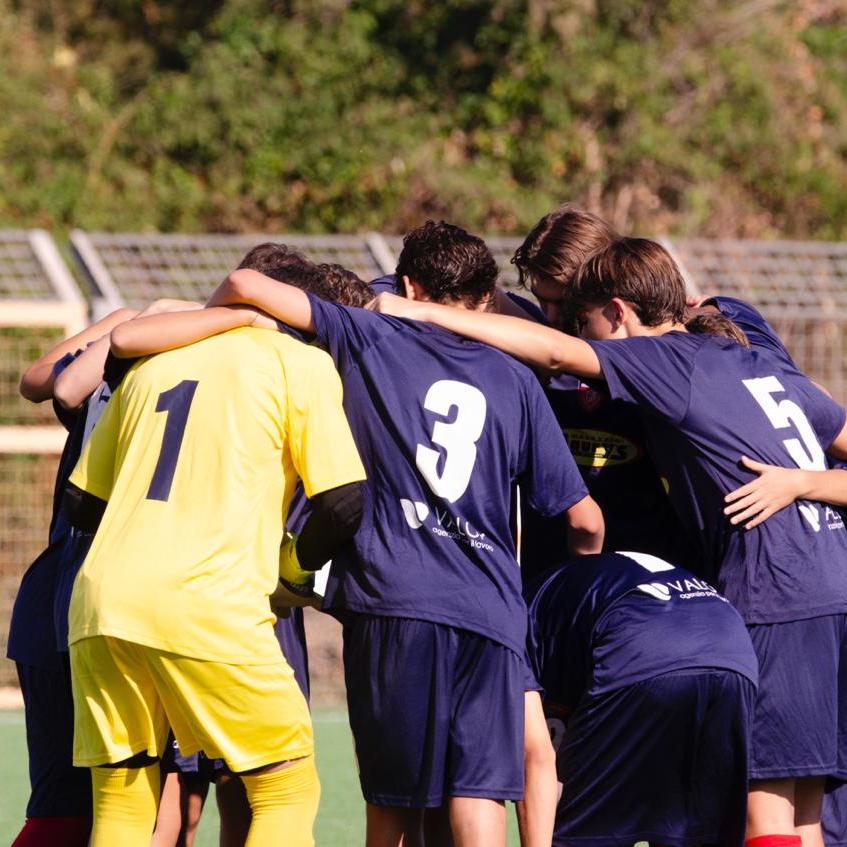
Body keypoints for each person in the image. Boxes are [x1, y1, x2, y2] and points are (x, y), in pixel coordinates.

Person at [123, 220, 604, 847]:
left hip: (393, 600)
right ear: (486, 298)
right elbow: (585, 519)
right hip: (491, 610)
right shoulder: (516, 378)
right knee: (479, 796)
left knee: (392, 805)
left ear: (408, 286)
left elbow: (246, 282)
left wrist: (217, 329)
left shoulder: (368, 334)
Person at [370, 235, 847, 847]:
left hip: (773, 590)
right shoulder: (752, 360)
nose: (578, 334)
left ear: (619, 313)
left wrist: (430, 312)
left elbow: (555, 352)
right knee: (804, 812)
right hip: (830, 584)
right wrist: (806, 481)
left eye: (586, 322)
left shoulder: (665, 359)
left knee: (764, 811)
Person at [65, 291, 367, 846]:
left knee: (122, 801)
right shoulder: (298, 360)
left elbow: (81, 502)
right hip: (209, 598)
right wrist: (292, 566)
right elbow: (344, 502)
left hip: (103, 600)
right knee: (285, 788)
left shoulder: (155, 363)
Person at [505, 205, 695, 578]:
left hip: (654, 577)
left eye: (563, 302)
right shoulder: (531, 345)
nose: (551, 316)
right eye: (541, 300)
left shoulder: (662, 360)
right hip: (553, 578)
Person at [8, 307, 138, 847]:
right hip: (106, 606)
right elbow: (49, 384)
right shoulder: (135, 389)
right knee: (128, 802)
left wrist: (128, 320)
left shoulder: (108, 376)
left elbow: (47, 383)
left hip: (55, 603)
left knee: (74, 805)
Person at [526, 550, 758, 846]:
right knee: (699, 835)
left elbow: (537, 757)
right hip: (734, 648)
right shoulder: (568, 591)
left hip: (643, 642)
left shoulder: (509, 624)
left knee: (578, 833)